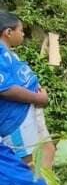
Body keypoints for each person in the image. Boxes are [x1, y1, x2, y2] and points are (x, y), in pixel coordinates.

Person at [0, 11, 55, 169]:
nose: (23, 34)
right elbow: (6, 89)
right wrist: (39, 99)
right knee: (30, 164)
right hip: (17, 120)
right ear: (8, 32)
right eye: (21, 30)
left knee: (47, 152)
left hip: (29, 113)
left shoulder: (9, 54)